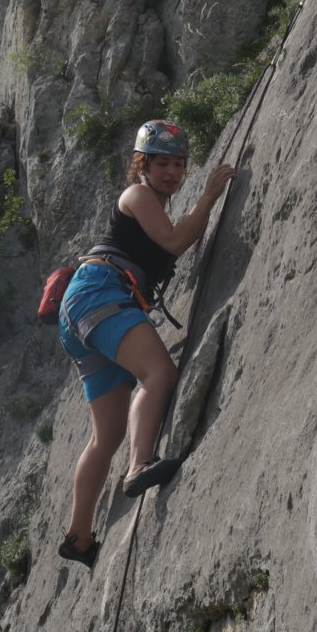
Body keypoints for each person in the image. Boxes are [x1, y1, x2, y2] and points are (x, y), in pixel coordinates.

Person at [55, 120, 236, 568]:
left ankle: (79, 537)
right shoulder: (137, 195)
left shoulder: (152, 200)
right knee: (158, 373)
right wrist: (210, 197)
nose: (172, 172)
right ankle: (139, 466)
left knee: (106, 434)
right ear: (142, 165)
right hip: (100, 295)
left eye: (179, 164)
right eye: (162, 163)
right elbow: (175, 242)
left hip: (85, 312)